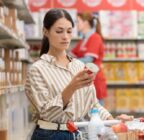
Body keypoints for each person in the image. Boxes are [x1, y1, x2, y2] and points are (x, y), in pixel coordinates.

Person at [25, 8, 132, 140]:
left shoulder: (79, 66)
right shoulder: (37, 69)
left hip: (77, 133)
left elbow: (92, 106)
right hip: (49, 135)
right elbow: (47, 114)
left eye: (69, 31)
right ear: (45, 31)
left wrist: (114, 122)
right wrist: (72, 87)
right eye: (59, 31)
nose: (65, 36)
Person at [71, 12, 107, 105]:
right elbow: (71, 54)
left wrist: (69, 62)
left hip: (94, 80)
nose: (76, 25)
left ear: (86, 22)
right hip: (85, 80)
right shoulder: (83, 40)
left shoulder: (95, 38)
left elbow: (88, 60)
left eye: (78, 21)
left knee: (97, 114)